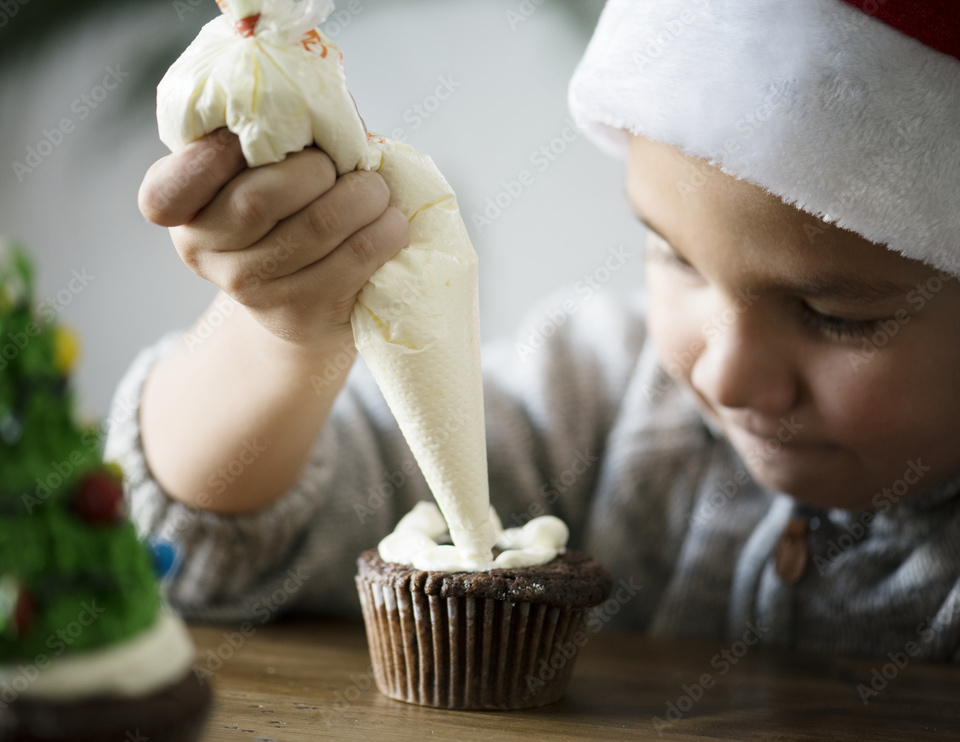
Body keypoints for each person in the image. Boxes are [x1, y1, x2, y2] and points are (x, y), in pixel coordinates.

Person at [106, 0, 960, 660]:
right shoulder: (593, 405)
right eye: (676, 259)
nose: (726, 378)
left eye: (840, 316)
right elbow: (202, 556)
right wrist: (281, 333)